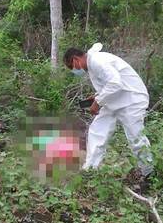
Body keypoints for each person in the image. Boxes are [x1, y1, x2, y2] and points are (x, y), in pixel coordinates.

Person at [63, 43, 153, 177]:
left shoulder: (97, 61)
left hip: (131, 99)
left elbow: (116, 83)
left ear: (76, 59)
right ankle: (90, 170)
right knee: (97, 131)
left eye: (72, 67)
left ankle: (148, 173)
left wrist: (98, 102)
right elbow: (108, 85)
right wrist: (97, 96)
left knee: (135, 138)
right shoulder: (92, 65)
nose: (74, 70)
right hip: (114, 100)